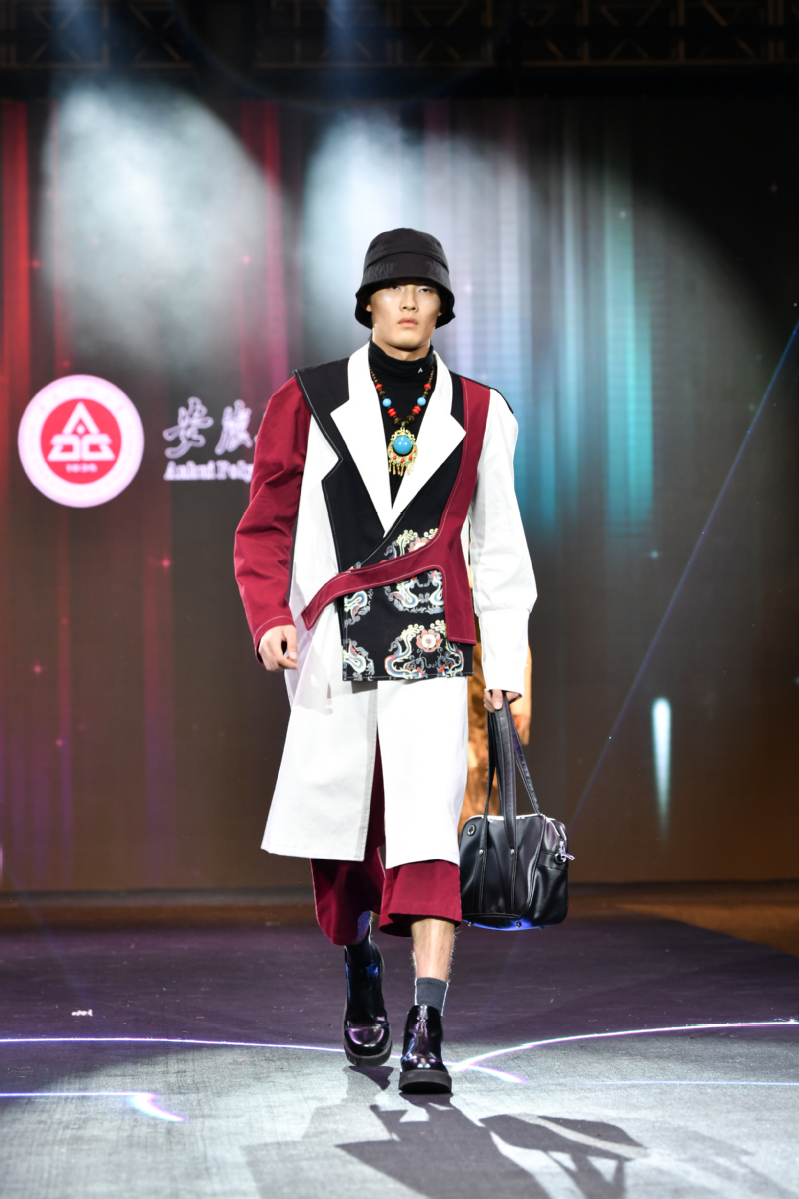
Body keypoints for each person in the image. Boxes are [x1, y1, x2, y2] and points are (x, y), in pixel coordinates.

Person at [234, 228, 536, 1094]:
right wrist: (269, 617)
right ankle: (360, 960)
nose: (408, 301)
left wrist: (505, 665)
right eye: (393, 288)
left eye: (424, 289)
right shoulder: (307, 397)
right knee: (344, 839)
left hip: (436, 647)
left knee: (428, 833)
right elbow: (264, 524)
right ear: (367, 302)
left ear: (442, 307)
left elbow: (498, 547)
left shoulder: (481, 411)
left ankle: (427, 1021)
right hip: (334, 642)